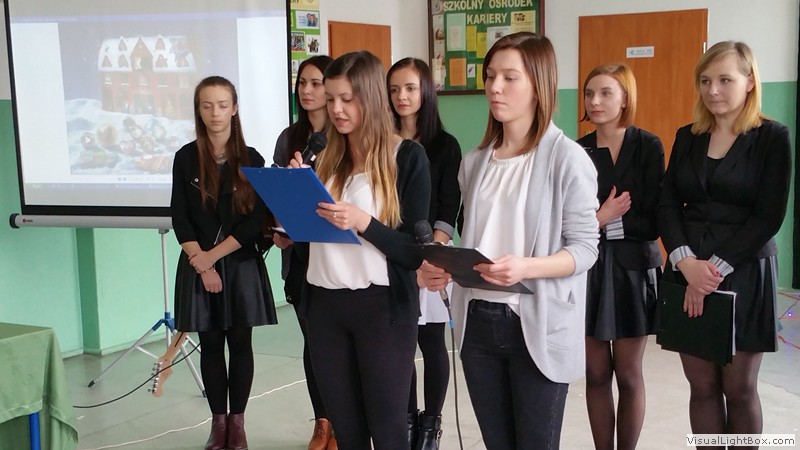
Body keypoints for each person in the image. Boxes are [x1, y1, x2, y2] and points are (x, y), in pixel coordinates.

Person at [419, 32, 600, 450]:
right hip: (477, 319)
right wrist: (447, 268)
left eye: (509, 77)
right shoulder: (475, 162)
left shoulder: (567, 158)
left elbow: (585, 249)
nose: (495, 87)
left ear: (539, 85)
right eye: (490, 76)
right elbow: (481, 238)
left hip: (535, 320)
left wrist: (525, 267)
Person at [288, 51, 431, 450]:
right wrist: (294, 200)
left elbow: (414, 252)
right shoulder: (323, 159)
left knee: (388, 433)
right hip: (324, 306)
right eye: (330, 98)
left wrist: (363, 222)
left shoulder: (407, 157)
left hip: (382, 309)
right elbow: (309, 241)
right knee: (347, 432)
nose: (336, 109)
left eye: (347, 99)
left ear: (370, 97)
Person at [658, 41, 791, 447]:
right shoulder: (688, 136)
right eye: (705, 80)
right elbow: (667, 203)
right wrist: (685, 264)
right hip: (686, 269)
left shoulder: (772, 137)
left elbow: (768, 216)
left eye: (725, 80)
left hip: (744, 271)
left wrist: (711, 271)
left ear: (750, 82)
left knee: (739, 389)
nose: (713, 90)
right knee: (701, 387)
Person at [170, 76, 278, 450]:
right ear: (198, 111)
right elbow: (179, 216)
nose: (215, 113)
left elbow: (254, 222)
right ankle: (218, 424)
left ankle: (238, 424)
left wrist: (212, 259)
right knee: (211, 344)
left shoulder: (253, 159)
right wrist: (201, 264)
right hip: (197, 263)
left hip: (240, 263)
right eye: (207, 105)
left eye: (221, 105)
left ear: (234, 109)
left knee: (241, 343)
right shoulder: (185, 157)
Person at [577, 63, 664, 450]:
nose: (594, 101)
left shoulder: (648, 145)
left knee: (628, 374)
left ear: (625, 98)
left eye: (605, 93)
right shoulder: (577, 150)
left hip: (633, 271)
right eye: (589, 93)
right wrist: (600, 218)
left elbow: (653, 220)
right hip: (589, 268)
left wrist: (603, 223)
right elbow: (569, 221)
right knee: (596, 374)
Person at [386, 57, 461, 450]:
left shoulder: (445, 145)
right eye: (395, 89)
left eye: (410, 88)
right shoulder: (380, 140)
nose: (402, 96)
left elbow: (449, 204)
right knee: (401, 345)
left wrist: (432, 253)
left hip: (432, 255)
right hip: (391, 255)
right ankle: (408, 421)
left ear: (426, 92)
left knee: (431, 343)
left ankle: (430, 428)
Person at [272, 55, 338, 450]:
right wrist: (278, 229)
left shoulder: (344, 133)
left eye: (316, 83)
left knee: (337, 348)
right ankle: (322, 423)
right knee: (313, 345)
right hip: (298, 258)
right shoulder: (290, 138)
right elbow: (278, 197)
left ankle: (344, 424)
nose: (308, 90)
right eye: (303, 83)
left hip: (337, 257)